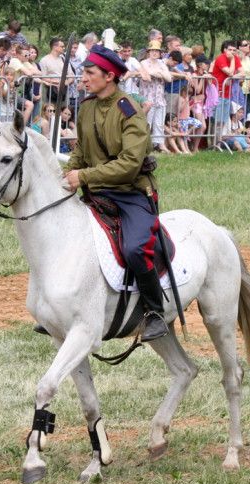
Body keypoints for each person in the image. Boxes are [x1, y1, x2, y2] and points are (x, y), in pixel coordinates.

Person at [62, 45, 169, 342]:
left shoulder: (129, 109)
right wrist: (66, 174)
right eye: (84, 72)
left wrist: (83, 176)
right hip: (96, 193)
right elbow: (82, 152)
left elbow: (130, 165)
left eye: (89, 73)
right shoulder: (86, 108)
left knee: (135, 248)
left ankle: (155, 312)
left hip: (130, 194)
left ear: (109, 76)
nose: (83, 78)